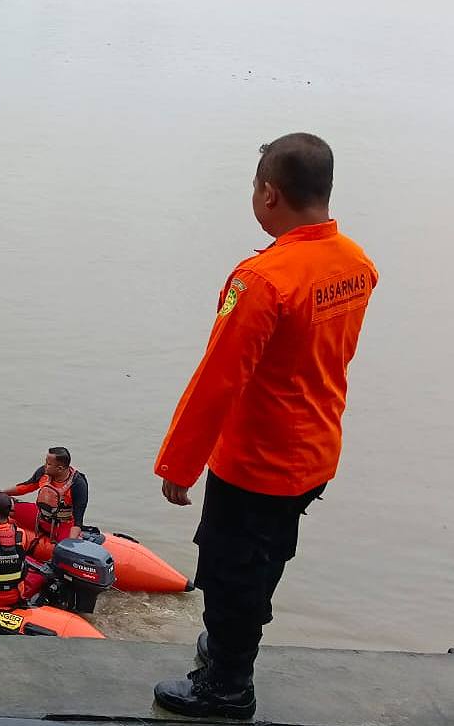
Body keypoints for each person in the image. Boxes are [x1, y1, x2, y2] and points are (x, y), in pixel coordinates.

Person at [151, 133, 378, 720]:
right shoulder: (354, 264)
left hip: (258, 461)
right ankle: (229, 647)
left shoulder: (262, 282)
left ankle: (227, 685)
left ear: (269, 194)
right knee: (267, 556)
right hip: (314, 451)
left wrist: (179, 464)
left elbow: (218, 380)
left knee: (231, 569)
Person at [0, 447, 88, 561]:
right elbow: (25, 487)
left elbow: (78, 521)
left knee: (67, 553)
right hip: (39, 516)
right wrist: (1, 493)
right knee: (1, 505)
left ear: (60, 468)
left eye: (49, 464)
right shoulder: (43, 472)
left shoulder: (78, 484)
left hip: (62, 525)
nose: (45, 465)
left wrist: (70, 545)